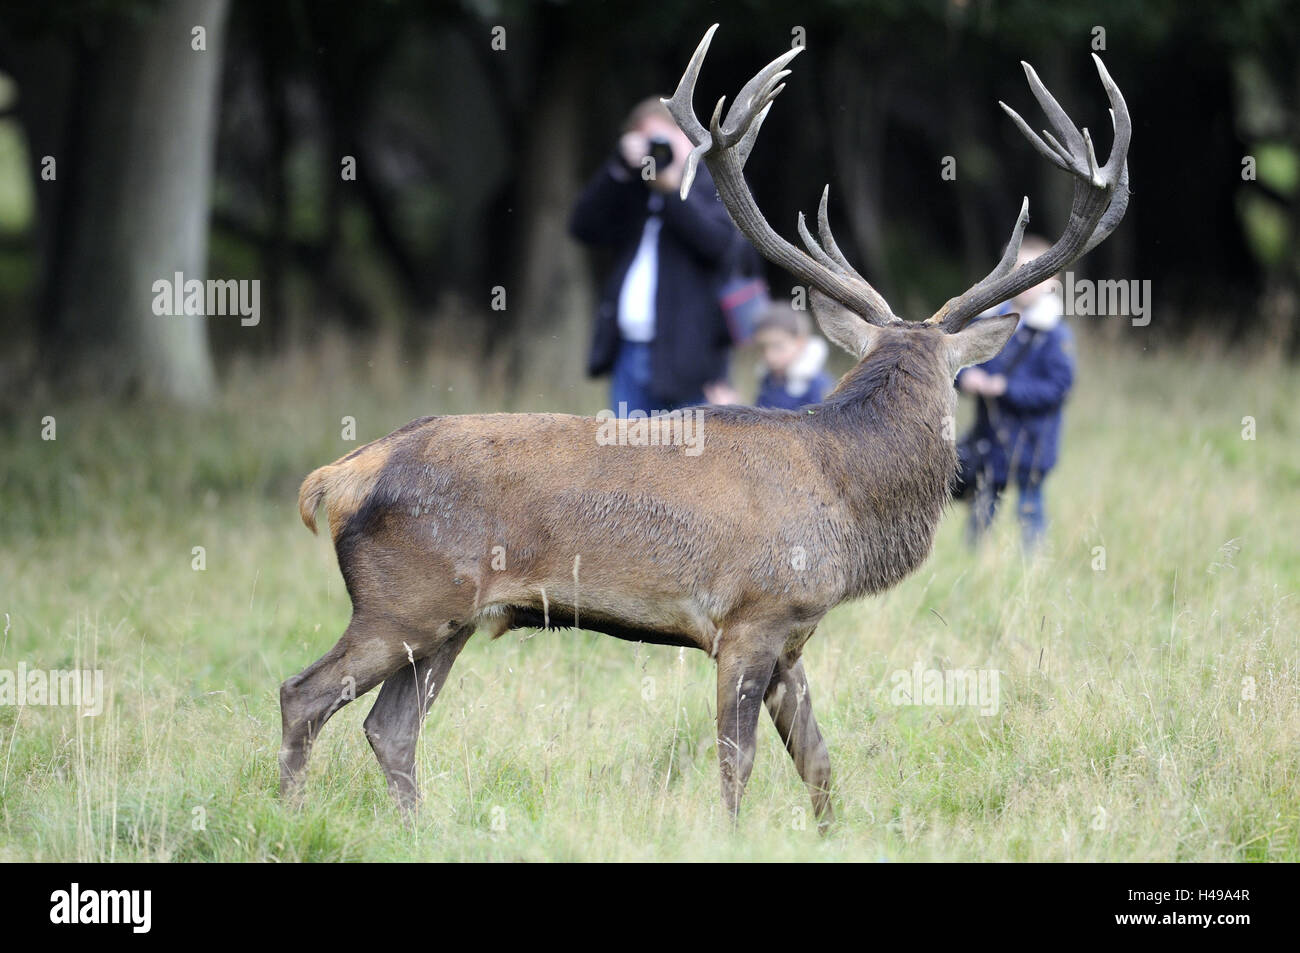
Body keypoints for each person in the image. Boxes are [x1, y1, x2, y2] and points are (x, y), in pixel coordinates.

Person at [569, 97, 741, 415]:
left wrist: (671, 192)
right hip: (628, 352)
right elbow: (583, 228)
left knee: (687, 447)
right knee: (626, 446)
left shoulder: (714, 181)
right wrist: (618, 169)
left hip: (692, 360)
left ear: (687, 136)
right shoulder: (632, 187)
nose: (658, 149)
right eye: (648, 141)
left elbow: (720, 246)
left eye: (664, 138)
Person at [956, 236, 1075, 550]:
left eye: (1037, 273)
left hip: (1033, 442)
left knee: (1030, 509)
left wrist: (1007, 389)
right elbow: (956, 363)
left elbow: (1058, 387)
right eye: (1019, 271)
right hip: (990, 438)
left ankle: (1032, 565)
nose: (1027, 282)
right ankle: (976, 565)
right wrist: (966, 378)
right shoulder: (987, 322)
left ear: (1052, 282)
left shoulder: (1054, 333)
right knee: (983, 507)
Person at [750, 303, 835, 409]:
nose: (769, 355)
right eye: (762, 347)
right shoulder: (768, 379)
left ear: (799, 342)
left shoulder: (817, 385)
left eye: (777, 346)